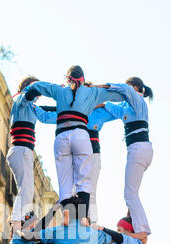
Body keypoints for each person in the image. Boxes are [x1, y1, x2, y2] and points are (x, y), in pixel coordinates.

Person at [24, 66, 124, 219]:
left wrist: (27, 96)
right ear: (83, 79)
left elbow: (39, 86)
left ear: (67, 78)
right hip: (81, 136)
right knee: (84, 179)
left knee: (64, 182)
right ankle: (83, 218)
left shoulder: (59, 90)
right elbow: (118, 96)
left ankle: (68, 216)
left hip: (61, 136)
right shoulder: (92, 93)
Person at [33, 99, 117, 223]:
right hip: (73, 153)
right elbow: (50, 111)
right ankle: (73, 217)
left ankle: (91, 220)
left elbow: (119, 111)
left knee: (89, 189)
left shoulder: (99, 112)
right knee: (72, 187)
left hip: (92, 153)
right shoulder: (72, 111)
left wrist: (103, 104)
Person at [101, 77, 153, 235]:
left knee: (129, 194)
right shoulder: (126, 109)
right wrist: (101, 103)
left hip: (139, 148)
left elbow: (125, 90)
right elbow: (111, 108)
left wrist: (103, 86)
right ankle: (135, 223)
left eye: (130, 88)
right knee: (132, 193)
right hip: (139, 149)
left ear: (136, 88)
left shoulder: (138, 100)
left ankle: (142, 230)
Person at [6, 76, 39, 231]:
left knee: (28, 189)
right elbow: (27, 97)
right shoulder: (20, 100)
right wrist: (37, 88)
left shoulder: (32, 108)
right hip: (21, 150)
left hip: (24, 151)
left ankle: (22, 218)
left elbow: (48, 114)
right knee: (25, 188)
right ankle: (16, 221)